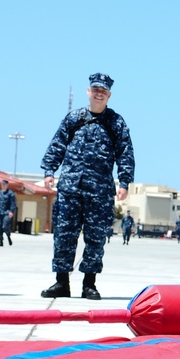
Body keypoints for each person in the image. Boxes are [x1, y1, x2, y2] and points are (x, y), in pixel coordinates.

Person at [40, 73, 134, 300]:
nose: (99, 93)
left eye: (103, 91)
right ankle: (61, 282)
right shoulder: (74, 118)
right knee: (64, 235)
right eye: (95, 90)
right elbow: (57, 144)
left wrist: (124, 182)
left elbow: (125, 152)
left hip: (100, 191)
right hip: (70, 188)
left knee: (96, 237)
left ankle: (89, 284)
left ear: (109, 95)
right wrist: (49, 171)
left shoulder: (116, 122)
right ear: (88, 92)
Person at [0, 179, 16, 247]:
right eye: (2, 184)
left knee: (5, 226)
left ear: (7, 185)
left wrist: (11, 211)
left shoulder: (11, 194)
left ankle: (8, 236)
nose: (3, 186)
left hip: (7, 212)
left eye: (4, 185)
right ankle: (1, 241)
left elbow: (13, 204)